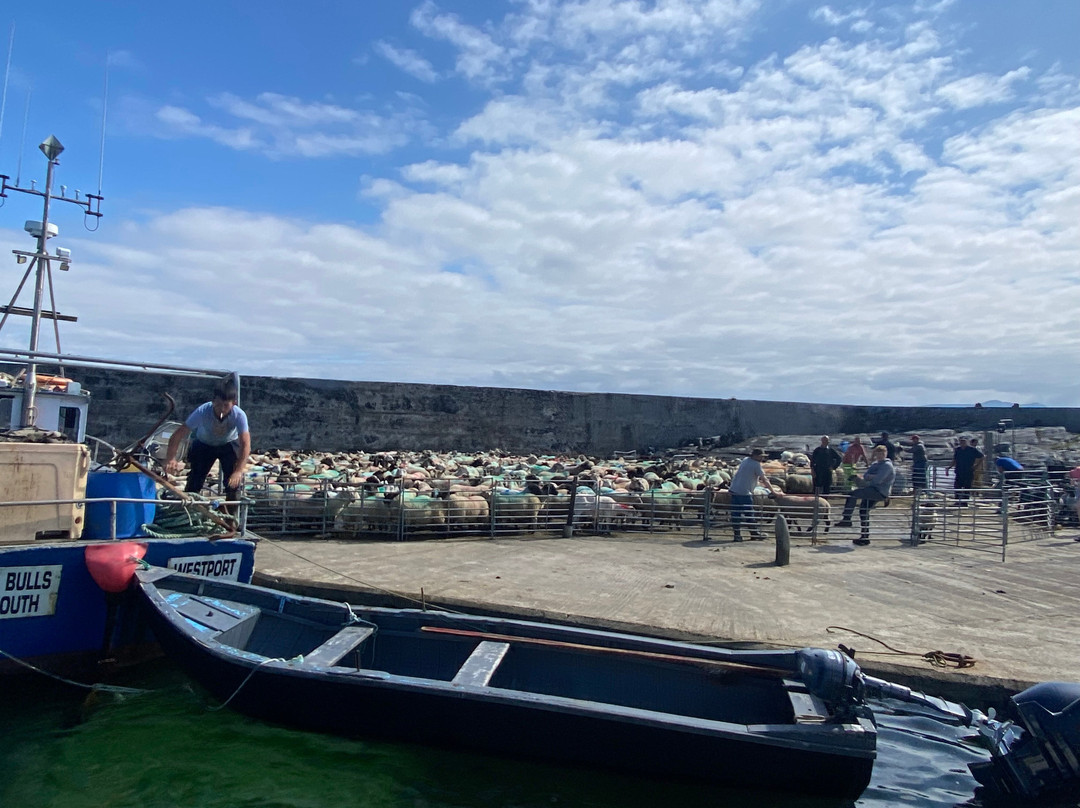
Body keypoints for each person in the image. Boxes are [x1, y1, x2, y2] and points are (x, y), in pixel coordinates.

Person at [165, 382, 251, 503]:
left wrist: (238, 471)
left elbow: (245, 443)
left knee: (233, 484)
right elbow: (178, 435)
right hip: (204, 444)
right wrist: (171, 458)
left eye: (226, 406)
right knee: (194, 482)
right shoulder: (202, 411)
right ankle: (189, 512)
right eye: (218, 405)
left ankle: (232, 517)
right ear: (213, 401)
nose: (221, 409)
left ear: (234, 404)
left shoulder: (239, 415)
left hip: (228, 444)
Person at [834, 444, 895, 546]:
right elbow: (867, 475)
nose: (879, 456)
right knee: (863, 510)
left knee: (854, 494)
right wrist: (871, 477)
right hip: (872, 489)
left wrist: (871, 477)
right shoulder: (876, 464)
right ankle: (865, 537)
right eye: (878, 453)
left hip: (879, 491)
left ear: (885, 454)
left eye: (882, 454)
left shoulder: (887, 466)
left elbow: (878, 480)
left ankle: (847, 518)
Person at [726, 448, 777, 542]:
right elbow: (764, 479)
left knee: (736, 514)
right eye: (761, 456)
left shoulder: (745, 460)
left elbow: (740, 475)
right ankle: (755, 533)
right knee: (749, 513)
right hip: (745, 492)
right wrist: (773, 491)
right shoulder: (756, 465)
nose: (762, 458)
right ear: (755, 456)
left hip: (735, 490)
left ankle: (737, 535)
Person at [947, 436, 983, 506]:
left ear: (966, 443)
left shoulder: (972, 450)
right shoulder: (958, 450)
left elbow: (982, 456)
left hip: (968, 471)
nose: (962, 443)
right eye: (961, 442)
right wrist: (949, 467)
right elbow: (955, 460)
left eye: (964, 442)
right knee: (957, 487)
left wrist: (976, 466)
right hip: (959, 471)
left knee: (967, 487)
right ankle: (957, 501)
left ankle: (965, 502)